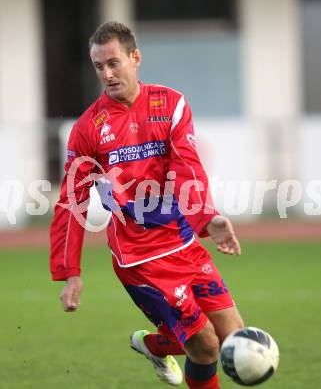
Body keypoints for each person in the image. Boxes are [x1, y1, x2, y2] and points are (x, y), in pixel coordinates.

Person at [50, 21, 244, 389]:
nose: (106, 73)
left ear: (135, 58)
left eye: (114, 62)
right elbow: (71, 202)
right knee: (205, 348)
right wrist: (68, 271)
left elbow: (187, 167)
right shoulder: (89, 128)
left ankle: (154, 345)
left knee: (232, 336)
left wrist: (208, 220)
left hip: (184, 242)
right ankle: (169, 345)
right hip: (140, 259)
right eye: (98, 66)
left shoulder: (170, 103)